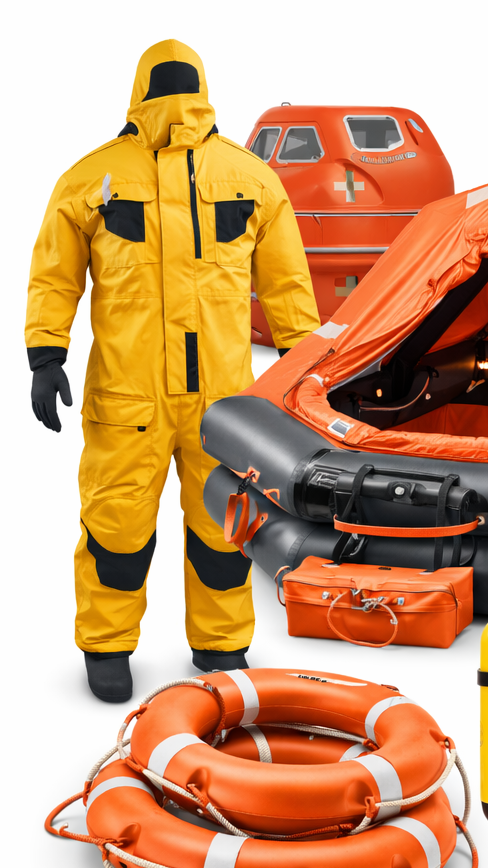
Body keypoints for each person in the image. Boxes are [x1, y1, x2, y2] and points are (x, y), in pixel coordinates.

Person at [25, 40, 320, 702]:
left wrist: (304, 368)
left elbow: (287, 285)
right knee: (117, 525)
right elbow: (55, 275)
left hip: (223, 402)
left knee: (226, 525)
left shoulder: (248, 179)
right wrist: (46, 352)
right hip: (128, 395)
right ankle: (107, 645)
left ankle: (221, 642)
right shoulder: (92, 180)